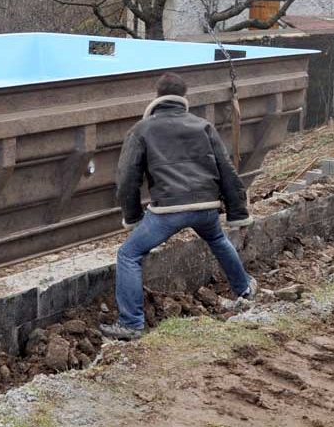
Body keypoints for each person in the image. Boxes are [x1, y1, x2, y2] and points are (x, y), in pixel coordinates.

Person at [100, 72, 257, 341]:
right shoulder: (203, 126)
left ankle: (131, 324)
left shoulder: (141, 129)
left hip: (167, 211)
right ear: (184, 98)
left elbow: (127, 178)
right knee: (218, 239)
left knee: (129, 254)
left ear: (157, 97)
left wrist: (132, 216)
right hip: (207, 207)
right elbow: (227, 169)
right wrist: (237, 212)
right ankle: (244, 290)